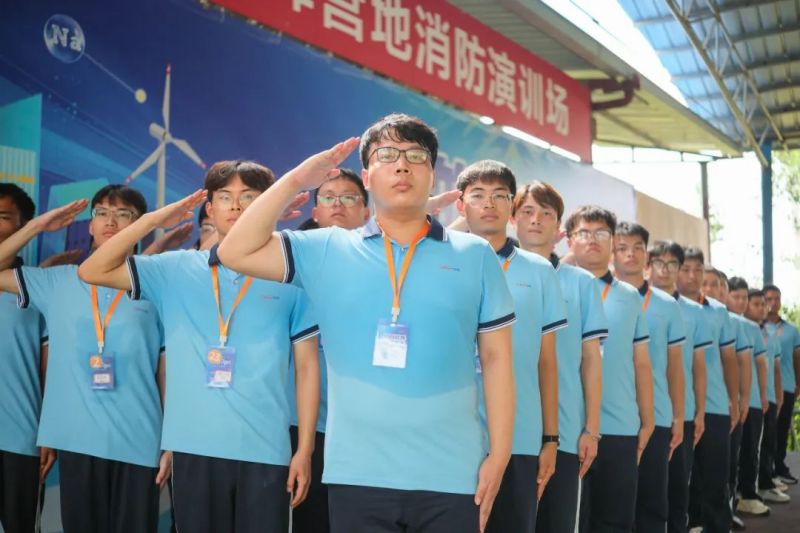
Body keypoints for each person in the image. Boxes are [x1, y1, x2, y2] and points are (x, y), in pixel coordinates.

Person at [216, 114, 517, 533]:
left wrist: (499, 456)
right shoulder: (326, 249)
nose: (402, 165)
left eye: (416, 156)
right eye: (387, 155)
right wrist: (297, 180)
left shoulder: (474, 254)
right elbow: (234, 251)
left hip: (453, 472)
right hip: (357, 473)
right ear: (367, 176)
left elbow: (498, 360)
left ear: (433, 174)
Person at [78, 161, 320, 533]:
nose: (235, 206)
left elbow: (306, 367)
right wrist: (154, 220)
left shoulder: (291, 276)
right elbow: (91, 271)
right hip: (193, 447)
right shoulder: (173, 270)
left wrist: (304, 450)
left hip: (265, 449)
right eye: (224, 197)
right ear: (209, 208)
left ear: (267, 205)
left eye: (249, 197)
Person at [0, 184, 169, 532]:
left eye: (124, 215)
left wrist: (172, 439)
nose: (111, 222)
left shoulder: (158, 285)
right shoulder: (56, 282)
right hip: (76, 439)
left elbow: (166, 369)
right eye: (102, 213)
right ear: (90, 225)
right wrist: (37, 227)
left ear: (140, 227)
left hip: (139, 439)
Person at [455, 162, 565, 532]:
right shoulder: (443, 262)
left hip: (521, 436)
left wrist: (550, 438)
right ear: (460, 205)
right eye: (478, 195)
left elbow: (547, 362)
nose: (489, 204)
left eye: (499, 195)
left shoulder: (539, 271)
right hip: (452, 436)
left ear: (511, 206)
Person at [513, 182, 607, 533]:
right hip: (507, 432)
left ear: (559, 228)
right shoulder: (493, 270)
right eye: (527, 211)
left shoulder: (581, 283)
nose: (536, 220)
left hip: (565, 432)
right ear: (513, 219)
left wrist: (591, 430)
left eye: (546, 213)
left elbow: (591, 361)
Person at [289, 168, 370, 533]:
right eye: (328, 197)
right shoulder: (291, 269)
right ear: (315, 212)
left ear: (367, 211)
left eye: (349, 197)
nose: (338, 204)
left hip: (369, 428)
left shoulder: (388, 269)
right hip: (309, 429)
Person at [565, 206, 654, 533]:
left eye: (602, 233)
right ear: (569, 240)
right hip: (569, 429)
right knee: (571, 521)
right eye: (583, 233)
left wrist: (647, 420)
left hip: (619, 428)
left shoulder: (629, 296)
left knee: (615, 521)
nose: (593, 240)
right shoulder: (557, 287)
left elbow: (641, 363)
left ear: (613, 241)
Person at [613, 222, 686, 532]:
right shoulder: (598, 295)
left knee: (652, 503)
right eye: (622, 248)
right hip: (612, 419)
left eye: (637, 248)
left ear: (647, 255)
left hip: (657, 417)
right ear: (612, 253)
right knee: (614, 506)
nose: (630, 254)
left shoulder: (668, 305)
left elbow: (675, 368)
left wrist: (678, 417)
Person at [647, 240, 713, 533]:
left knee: (676, 487)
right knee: (642, 492)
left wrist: (699, 412)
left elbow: (698, 367)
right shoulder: (633, 300)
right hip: (636, 413)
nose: (665, 269)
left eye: (672, 263)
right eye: (659, 262)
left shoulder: (694, 312)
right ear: (649, 265)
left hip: (679, 413)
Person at [0, 184, 52, 533]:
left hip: (19, 437)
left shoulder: (38, 288)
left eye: (3, 216)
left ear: (24, 225)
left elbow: (50, 371)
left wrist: (49, 431)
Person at [680, 248, 738, 533]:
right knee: (681, 480)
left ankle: (718, 526)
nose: (692, 276)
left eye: (698, 270)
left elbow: (729, 358)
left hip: (715, 406)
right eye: (686, 269)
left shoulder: (718, 311)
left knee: (715, 475)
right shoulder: (666, 305)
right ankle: (692, 523)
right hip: (677, 408)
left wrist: (734, 400)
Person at [763, 284, 800, 486]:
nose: (773, 303)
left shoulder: (792, 330)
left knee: (782, 429)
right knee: (766, 433)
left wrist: (797, 384)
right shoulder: (757, 328)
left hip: (786, 386)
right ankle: (765, 472)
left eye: (776, 298)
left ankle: (779, 467)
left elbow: (797, 359)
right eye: (769, 299)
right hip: (763, 390)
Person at [756, 290, 788, 501]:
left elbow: (776, 370)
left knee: (768, 442)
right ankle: (753, 489)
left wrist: (778, 396)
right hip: (753, 400)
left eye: (763, 304)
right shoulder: (744, 328)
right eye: (758, 303)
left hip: (769, 398)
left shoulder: (769, 335)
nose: (763, 307)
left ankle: (766, 482)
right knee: (753, 448)